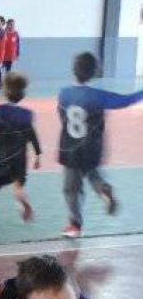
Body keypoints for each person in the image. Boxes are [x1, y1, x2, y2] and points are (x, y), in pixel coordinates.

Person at [57, 52, 143, 238]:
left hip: (71, 148)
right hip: (92, 148)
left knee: (71, 188)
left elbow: (62, 117)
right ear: (93, 73)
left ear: (74, 70)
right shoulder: (98, 96)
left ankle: (75, 225)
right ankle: (104, 190)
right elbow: (125, 101)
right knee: (93, 174)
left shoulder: (64, 94)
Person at [0, 72, 42, 227]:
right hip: (19, 158)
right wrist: (38, 154)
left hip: (0, 157)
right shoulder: (27, 115)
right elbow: (32, 135)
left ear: (5, 91)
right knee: (18, 186)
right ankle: (22, 201)